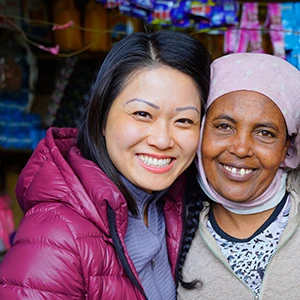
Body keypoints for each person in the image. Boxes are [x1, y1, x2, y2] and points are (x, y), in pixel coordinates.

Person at [0, 30, 210, 299]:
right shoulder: (57, 238)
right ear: (101, 117)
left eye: (184, 121)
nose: (162, 139)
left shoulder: (171, 204)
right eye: (143, 114)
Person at [177, 52, 300, 300]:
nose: (241, 148)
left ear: (287, 147)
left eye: (265, 133)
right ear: (200, 132)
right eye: (224, 126)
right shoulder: (169, 225)